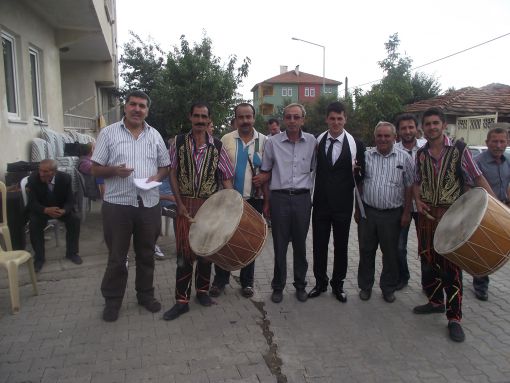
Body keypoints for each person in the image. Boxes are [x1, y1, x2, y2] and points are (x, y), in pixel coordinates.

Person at [413, 107, 495, 342]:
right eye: (427, 124)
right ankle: (435, 301)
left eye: (435, 123)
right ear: (423, 128)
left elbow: (478, 177)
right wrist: (417, 200)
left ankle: (454, 318)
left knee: (451, 271)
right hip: (428, 220)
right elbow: (416, 182)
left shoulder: (460, 150)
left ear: (443, 125)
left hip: (452, 220)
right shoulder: (420, 154)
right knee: (428, 263)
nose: (431, 127)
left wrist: (496, 206)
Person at [91, 90, 170, 322]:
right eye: (133, 104)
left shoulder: (155, 135)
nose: (137, 109)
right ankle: (113, 301)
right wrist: (115, 170)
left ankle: (145, 296)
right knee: (117, 257)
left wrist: (156, 178)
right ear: (125, 107)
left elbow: (165, 166)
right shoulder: (108, 133)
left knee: (146, 254)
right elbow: (95, 168)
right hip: (118, 205)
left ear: (147, 110)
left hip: (149, 204)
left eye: (142, 106)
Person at [163, 102, 234, 321]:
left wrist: (232, 205)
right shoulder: (178, 143)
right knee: (185, 255)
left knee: (206, 253)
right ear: (190, 117)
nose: (200, 121)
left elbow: (226, 178)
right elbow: (172, 173)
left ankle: (202, 292)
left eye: (204, 117)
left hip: (209, 207)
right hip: (184, 206)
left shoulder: (219, 146)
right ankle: (181, 301)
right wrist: (178, 202)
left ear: (209, 120)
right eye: (197, 116)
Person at [258, 103, 316, 303]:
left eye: (296, 117)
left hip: (302, 199)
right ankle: (278, 286)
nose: (292, 121)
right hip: (279, 199)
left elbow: (317, 169)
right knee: (280, 245)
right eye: (288, 117)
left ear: (303, 120)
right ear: (283, 119)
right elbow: (265, 173)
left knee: (300, 245)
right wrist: (267, 202)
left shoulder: (312, 142)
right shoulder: (272, 143)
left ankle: (300, 286)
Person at [209, 103, 268, 299]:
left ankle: (247, 283)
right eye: (241, 117)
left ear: (254, 118)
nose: (245, 121)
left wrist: (265, 177)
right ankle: (220, 281)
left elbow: (269, 167)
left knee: (248, 241)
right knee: (223, 240)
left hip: (253, 200)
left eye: (248, 116)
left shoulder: (264, 141)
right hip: (228, 199)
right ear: (235, 119)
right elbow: (219, 169)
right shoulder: (226, 140)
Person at [309, 101, 365, 302]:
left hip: (343, 205)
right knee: (319, 245)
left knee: (341, 246)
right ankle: (320, 282)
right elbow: (311, 170)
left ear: (345, 119)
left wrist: (359, 208)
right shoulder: (317, 141)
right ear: (326, 119)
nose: (336, 122)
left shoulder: (356, 145)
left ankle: (338, 284)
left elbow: (360, 178)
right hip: (321, 204)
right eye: (332, 118)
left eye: (339, 118)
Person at [356, 122, 413, 303]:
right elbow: (358, 184)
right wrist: (357, 209)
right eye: (379, 136)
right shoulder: (365, 157)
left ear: (394, 137)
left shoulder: (404, 158)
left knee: (391, 254)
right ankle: (365, 287)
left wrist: (406, 213)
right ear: (375, 137)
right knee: (366, 251)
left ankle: (388, 288)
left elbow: (409, 186)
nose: (383, 139)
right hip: (368, 214)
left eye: (387, 136)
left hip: (392, 215)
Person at [472, 127, 510, 301]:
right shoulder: (477, 162)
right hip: (482, 213)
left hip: (502, 210)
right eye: (495, 141)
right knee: (482, 249)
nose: (498, 145)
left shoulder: (507, 162)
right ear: (487, 142)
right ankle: (480, 285)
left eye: (502, 141)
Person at [26, 159, 82, 272]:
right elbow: (32, 203)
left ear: (54, 172)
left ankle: (72, 253)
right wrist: (45, 210)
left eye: (45, 171)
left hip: (59, 209)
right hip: (41, 210)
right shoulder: (33, 179)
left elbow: (70, 200)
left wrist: (64, 211)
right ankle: (39, 258)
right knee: (34, 223)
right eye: (40, 170)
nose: (41, 173)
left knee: (74, 219)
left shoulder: (65, 178)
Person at [394, 113, 426, 290]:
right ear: (398, 131)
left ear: (416, 128)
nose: (407, 131)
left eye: (410, 127)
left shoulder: (425, 148)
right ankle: (403, 277)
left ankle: (428, 282)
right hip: (402, 206)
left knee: (426, 247)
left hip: (424, 206)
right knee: (399, 247)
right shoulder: (393, 149)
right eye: (403, 128)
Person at [154, 176, 176, 259]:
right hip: (153, 199)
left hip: (170, 201)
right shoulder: (150, 168)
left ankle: (180, 245)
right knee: (151, 212)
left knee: (179, 214)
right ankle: (153, 245)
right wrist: (168, 197)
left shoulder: (172, 168)